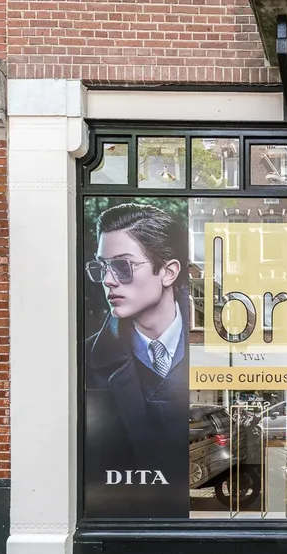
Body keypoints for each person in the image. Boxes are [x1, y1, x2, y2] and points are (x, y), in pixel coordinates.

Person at [83, 202, 190, 518]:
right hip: (122, 517)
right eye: (102, 267)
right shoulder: (84, 360)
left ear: (168, 272)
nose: (108, 280)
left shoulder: (213, 351)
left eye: (123, 266)